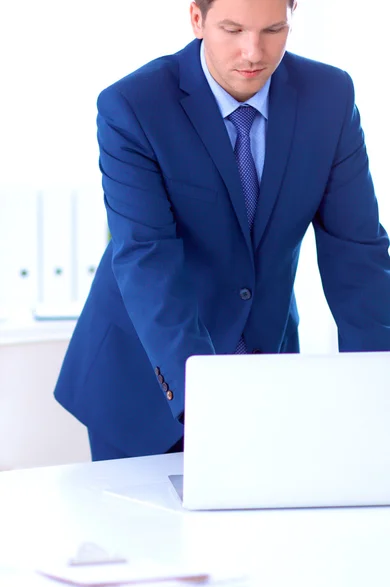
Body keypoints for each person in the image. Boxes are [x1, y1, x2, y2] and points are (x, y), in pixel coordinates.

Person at [55, 0, 390, 461]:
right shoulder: (134, 106)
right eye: (232, 30)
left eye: (273, 29)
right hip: (146, 379)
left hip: (263, 370)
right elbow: (146, 257)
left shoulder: (329, 98)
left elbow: (359, 254)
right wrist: (208, 405)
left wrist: (375, 393)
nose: (253, 52)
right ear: (197, 19)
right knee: (147, 532)